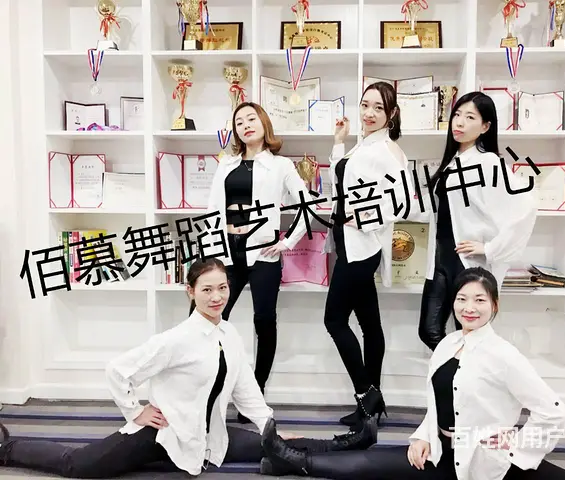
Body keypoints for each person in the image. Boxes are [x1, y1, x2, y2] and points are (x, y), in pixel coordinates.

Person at [0, 258, 377, 478]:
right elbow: (117, 370)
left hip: (209, 436)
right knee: (79, 466)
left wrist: (268, 426)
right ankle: (8, 448)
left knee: (277, 443)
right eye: (207, 289)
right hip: (162, 435)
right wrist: (136, 411)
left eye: (222, 288)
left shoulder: (229, 334)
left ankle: (348, 442)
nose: (217, 296)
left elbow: (246, 389)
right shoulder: (177, 339)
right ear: (191, 292)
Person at [259, 267, 565, 480]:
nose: (469, 308)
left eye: (479, 300)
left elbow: (555, 413)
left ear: (495, 305)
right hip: (442, 455)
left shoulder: (503, 355)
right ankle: (292, 459)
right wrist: (423, 437)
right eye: (462, 299)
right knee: (373, 465)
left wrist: (516, 446)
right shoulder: (447, 344)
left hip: (487, 465)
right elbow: (437, 405)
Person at [207, 101, 314, 423]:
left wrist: (286, 242)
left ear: (264, 123)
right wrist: (212, 249)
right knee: (208, 319)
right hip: (228, 252)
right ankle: (210, 388)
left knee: (264, 321)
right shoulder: (226, 164)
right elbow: (212, 209)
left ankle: (255, 393)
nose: (245, 125)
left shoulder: (280, 165)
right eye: (239, 122)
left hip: (263, 253)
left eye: (251, 118)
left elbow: (307, 206)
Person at [324, 81, 420, 430]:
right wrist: (339, 142)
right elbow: (341, 182)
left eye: (378, 107)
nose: (369, 112)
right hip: (349, 243)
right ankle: (370, 408)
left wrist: (364, 218)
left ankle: (368, 395)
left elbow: (404, 202)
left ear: (391, 113)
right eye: (365, 105)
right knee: (369, 325)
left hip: (361, 248)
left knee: (334, 320)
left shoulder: (388, 150)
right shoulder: (365, 145)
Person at [418, 91, 537, 352]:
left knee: (469, 333)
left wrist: (490, 248)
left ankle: (466, 374)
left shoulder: (488, 162)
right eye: (457, 115)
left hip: (466, 262)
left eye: (470, 117)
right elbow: (435, 209)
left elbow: (526, 205)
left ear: (485, 127)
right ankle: (458, 372)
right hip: (441, 258)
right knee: (429, 331)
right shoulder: (453, 163)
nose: (459, 122)